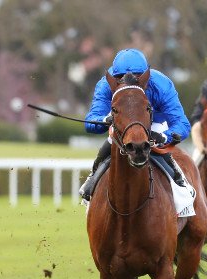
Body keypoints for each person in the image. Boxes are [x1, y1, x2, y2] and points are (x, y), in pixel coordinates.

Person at [79, 48, 191, 201]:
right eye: (121, 78)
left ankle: (181, 186)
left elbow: (182, 124)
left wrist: (165, 136)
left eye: (137, 77)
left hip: (155, 124)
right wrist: (105, 120)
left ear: (145, 76)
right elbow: (91, 121)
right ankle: (92, 180)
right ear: (114, 77)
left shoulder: (161, 84)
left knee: (163, 153)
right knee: (110, 142)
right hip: (123, 125)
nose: (128, 81)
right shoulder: (105, 85)